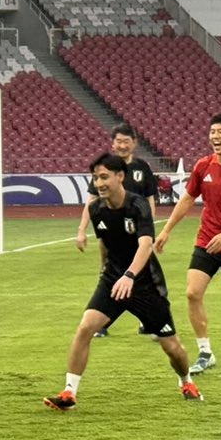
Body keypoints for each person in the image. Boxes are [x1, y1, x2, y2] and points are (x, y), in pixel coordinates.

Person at [45, 152, 203, 411]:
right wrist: (105, 275)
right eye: (96, 178)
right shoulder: (96, 210)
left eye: (104, 176)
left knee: (171, 347)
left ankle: (186, 381)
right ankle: (69, 392)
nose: (99, 183)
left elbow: (145, 244)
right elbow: (105, 245)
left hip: (145, 285)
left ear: (120, 176)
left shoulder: (138, 205)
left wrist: (130, 276)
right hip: (113, 281)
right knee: (85, 327)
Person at [155, 114, 221, 376]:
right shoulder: (203, 166)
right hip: (206, 241)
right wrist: (166, 230)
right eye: (212, 131)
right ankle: (205, 353)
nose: (215, 136)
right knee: (192, 293)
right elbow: (188, 199)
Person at [75, 122, 158, 338]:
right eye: (118, 141)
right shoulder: (104, 170)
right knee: (109, 275)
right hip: (110, 234)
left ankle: (147, 320)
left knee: (140, 276)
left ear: (134, 143)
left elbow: (149, 200)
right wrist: (82, 230)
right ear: (113, 144)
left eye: (126, 141)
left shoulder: (142, 169)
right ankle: (102, 323)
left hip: (136, 235)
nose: (122, 145)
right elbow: (91, 202)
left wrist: (149, 230)